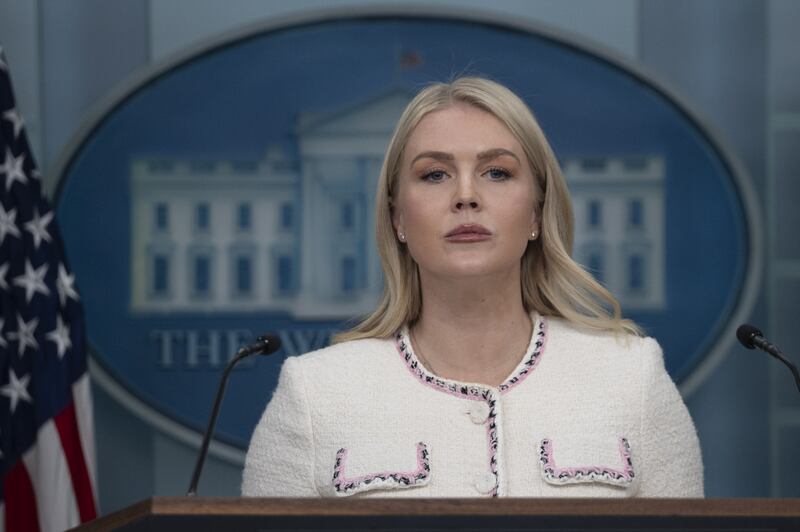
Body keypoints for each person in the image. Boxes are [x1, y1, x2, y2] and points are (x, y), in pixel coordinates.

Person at [241, 77, 703, 498]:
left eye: (497, 172)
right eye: (434, 174)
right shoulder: (315, 393)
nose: (466, 195)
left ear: (537, 215)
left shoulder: (631, 377)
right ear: (398, 218)